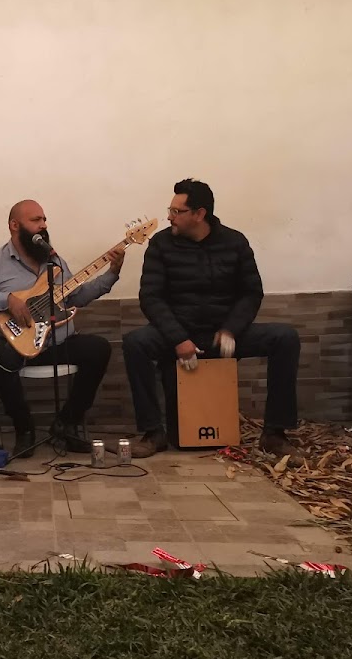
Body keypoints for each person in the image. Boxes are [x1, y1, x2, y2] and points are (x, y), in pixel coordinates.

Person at [122, 179, 300, 457]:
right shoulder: (161, 244)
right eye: (170, 210)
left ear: (199, 214)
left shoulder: (234, 242)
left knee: (285, 337)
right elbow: (151, 297)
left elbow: (251, 293)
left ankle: (275, 434)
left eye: (177, 211)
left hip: (223, 335)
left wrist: (231, 329)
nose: (169, 217)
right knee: (136, 343)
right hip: (179, 334)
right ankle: (153, 433)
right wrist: (178, 339)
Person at [0, 200, 123, 457]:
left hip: (58, 342)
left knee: (99, 349)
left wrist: (112, 273)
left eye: (44, 219)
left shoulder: (54, 261)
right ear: (14, 225)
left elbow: (77, 296)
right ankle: (24, 428)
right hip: (18, 345)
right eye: (36, 220)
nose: (43, 225)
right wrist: (6, 300)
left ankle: (66, 424)